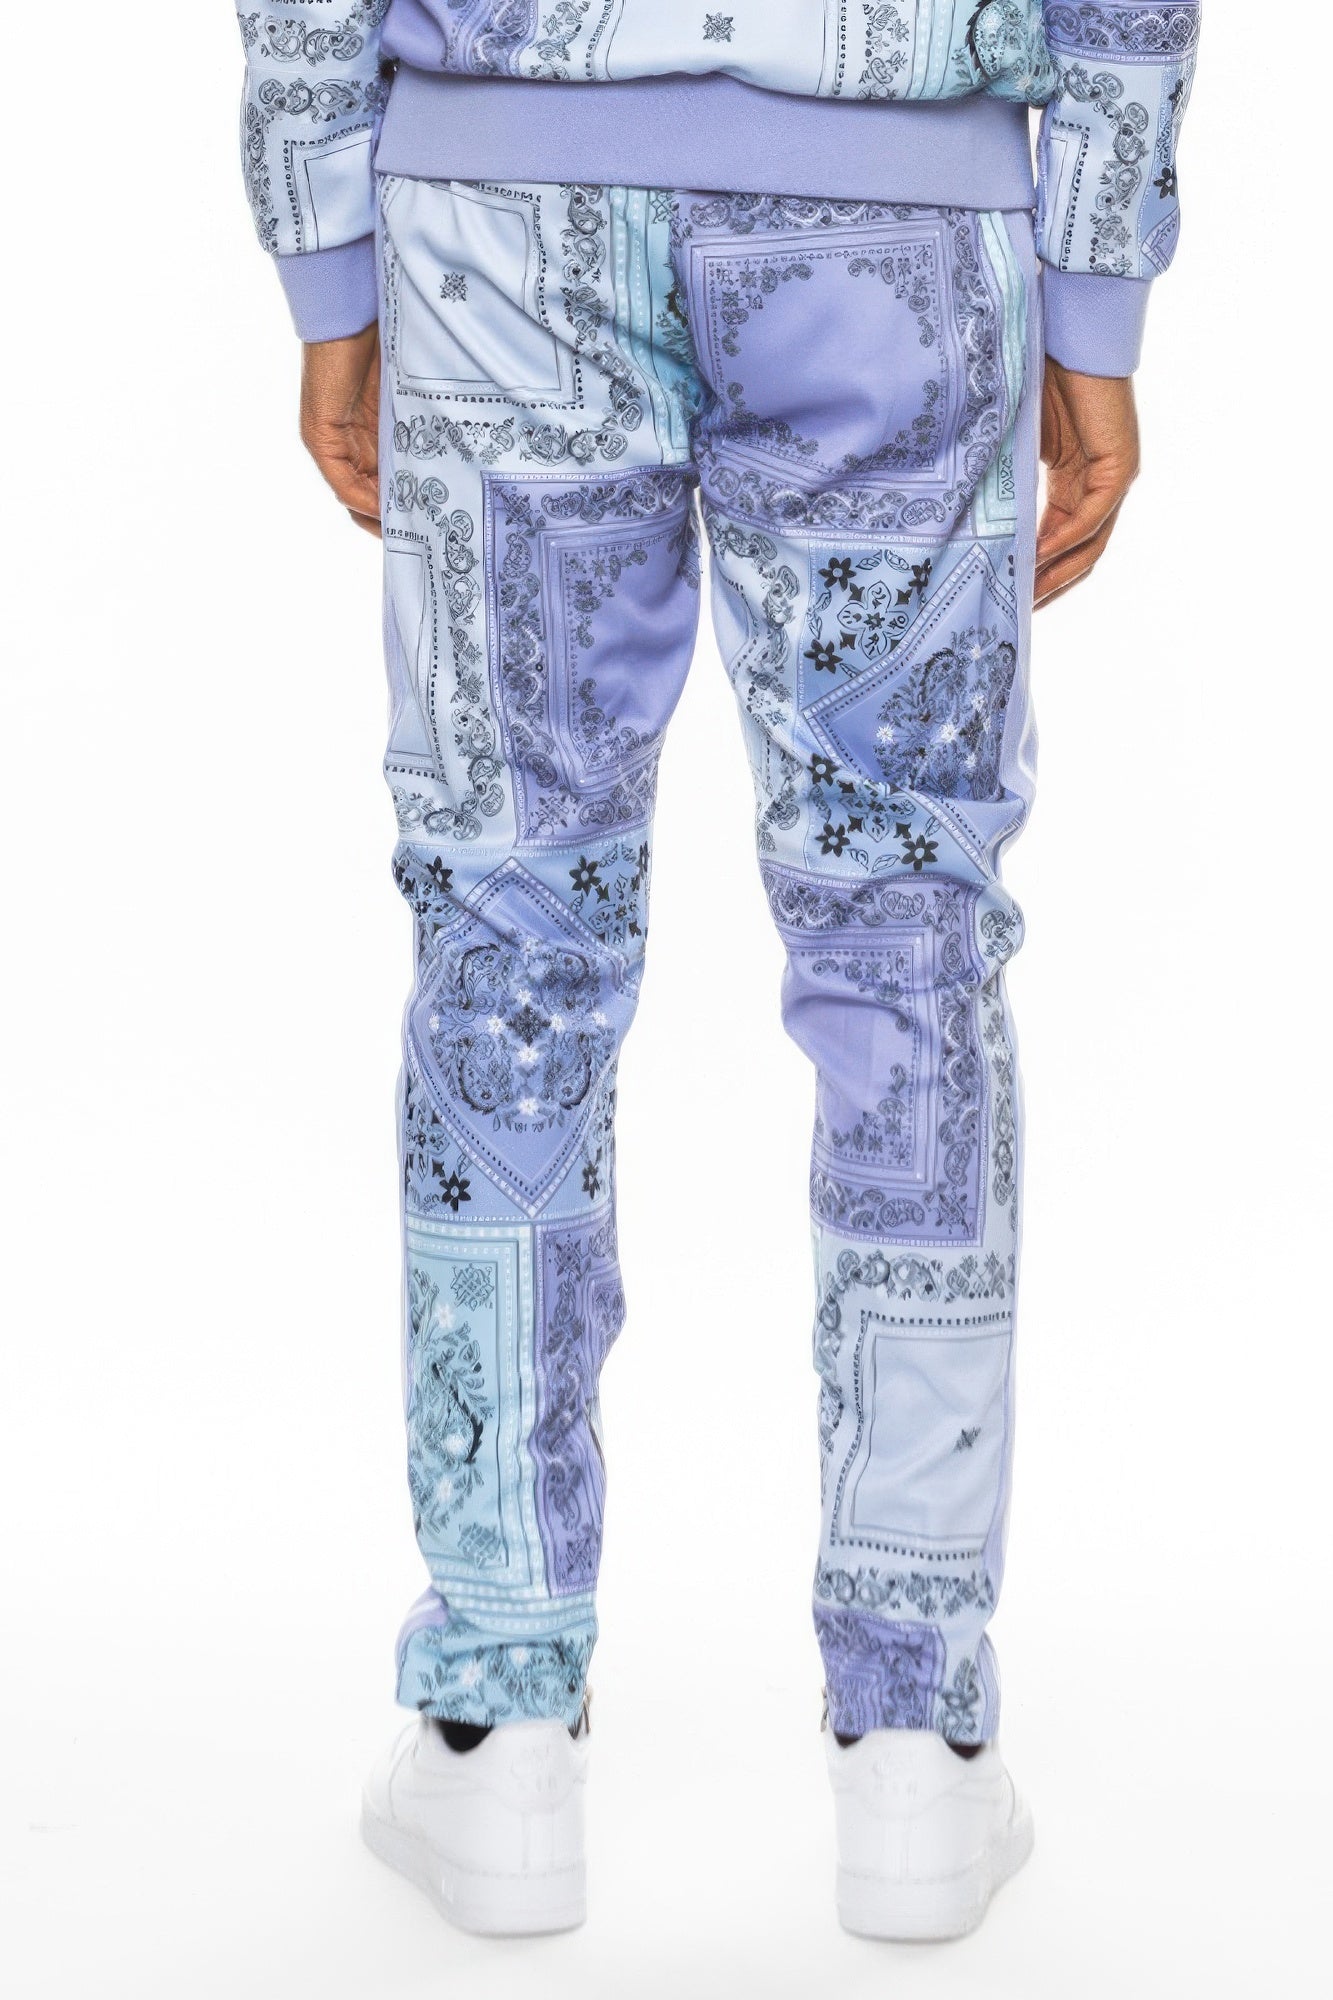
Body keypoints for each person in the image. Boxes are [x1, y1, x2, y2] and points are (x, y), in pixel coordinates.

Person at [235, 0, 1197, 1944]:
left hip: (498, 208)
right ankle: (916, 1740)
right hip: (902, 215)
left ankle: (499, 1719)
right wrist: (1097, 277)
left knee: (512, 938)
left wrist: (322, 243)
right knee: (907, 952)